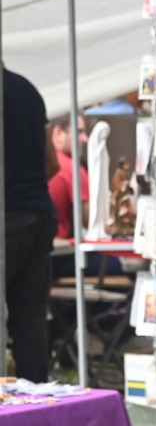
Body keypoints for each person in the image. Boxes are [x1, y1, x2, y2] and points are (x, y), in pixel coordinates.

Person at [3, 66, 58, 382]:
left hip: (10, 217)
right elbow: (52, 163)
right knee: (30, 321)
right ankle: (35, 395)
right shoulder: (27, 89)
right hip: (38, 212)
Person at [47, 112, 89, 243]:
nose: (85, 139)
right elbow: (91, 221)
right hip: (61, 249)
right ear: (58, 133)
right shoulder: (73, 169)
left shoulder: (33, 163)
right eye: (79, 132)